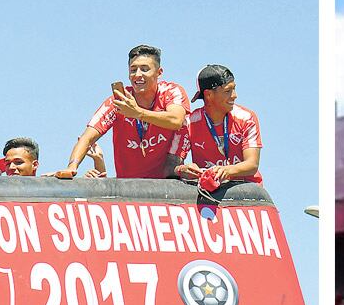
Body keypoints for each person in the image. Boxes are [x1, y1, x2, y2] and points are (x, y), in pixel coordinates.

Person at [59, 44, 190, 180]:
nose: (138, 75)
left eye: (145, 69)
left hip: (165, 188)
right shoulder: (119, 101)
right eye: (133, 70)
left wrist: (138, 113)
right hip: (127, 188)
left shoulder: (171, 91)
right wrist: (72, 167)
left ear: (159, 72)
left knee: (187, 123)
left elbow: (176, 121)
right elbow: (87, 137)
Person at [176, 64, 262, 193]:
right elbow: (172, 165)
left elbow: (252, 165)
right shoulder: (189, 123)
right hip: (209, 193)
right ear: (209, 95)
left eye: (234, 89)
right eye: (228, 91)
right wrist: (182, 169)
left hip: (247, 193)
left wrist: (226, 170)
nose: (234, 95)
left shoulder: (247, 117)